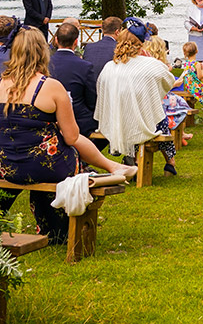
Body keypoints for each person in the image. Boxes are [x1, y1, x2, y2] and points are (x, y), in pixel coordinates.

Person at [0, 27, 136, 243]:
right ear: (43, 52)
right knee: (69, 147)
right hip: (46, 165)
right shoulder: (51, 87)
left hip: (6, 165)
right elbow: (73, 136)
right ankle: (110, 168)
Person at [95, 17, 178, 176]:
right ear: (141, 44)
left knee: (138, 114)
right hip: (143, 125)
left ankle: (131, 159)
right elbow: (168, 82)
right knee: (159, 118)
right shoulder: (151, 64)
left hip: (116, 121)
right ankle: (170, 161)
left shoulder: (110, 66)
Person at [49, 23, 98, 140]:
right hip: (77, 118)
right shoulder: (85, 66)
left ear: (56, 39)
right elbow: (92, 100)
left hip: (50, 117)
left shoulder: (44, 63)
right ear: (76, 42)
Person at [144, 35, 193, 144]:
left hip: (147, 97)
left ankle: (179, 133)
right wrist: (175, 84)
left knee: (176, 100)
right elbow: (163, 86)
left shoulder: (143, 62)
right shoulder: (158, 64)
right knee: (180, 104)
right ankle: (175, 131)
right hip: (156, 98)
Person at [180, 41, 203, 128]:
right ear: (197, 51)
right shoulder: (196, 64)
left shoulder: (186, 64)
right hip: (196, 88)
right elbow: (200, 76)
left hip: (190, 87)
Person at [82, 16, 122, 84]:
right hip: (110, 86)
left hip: (90, 86)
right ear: (117, 32)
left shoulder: (89, 47)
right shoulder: (119, 48)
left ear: (103, 30)